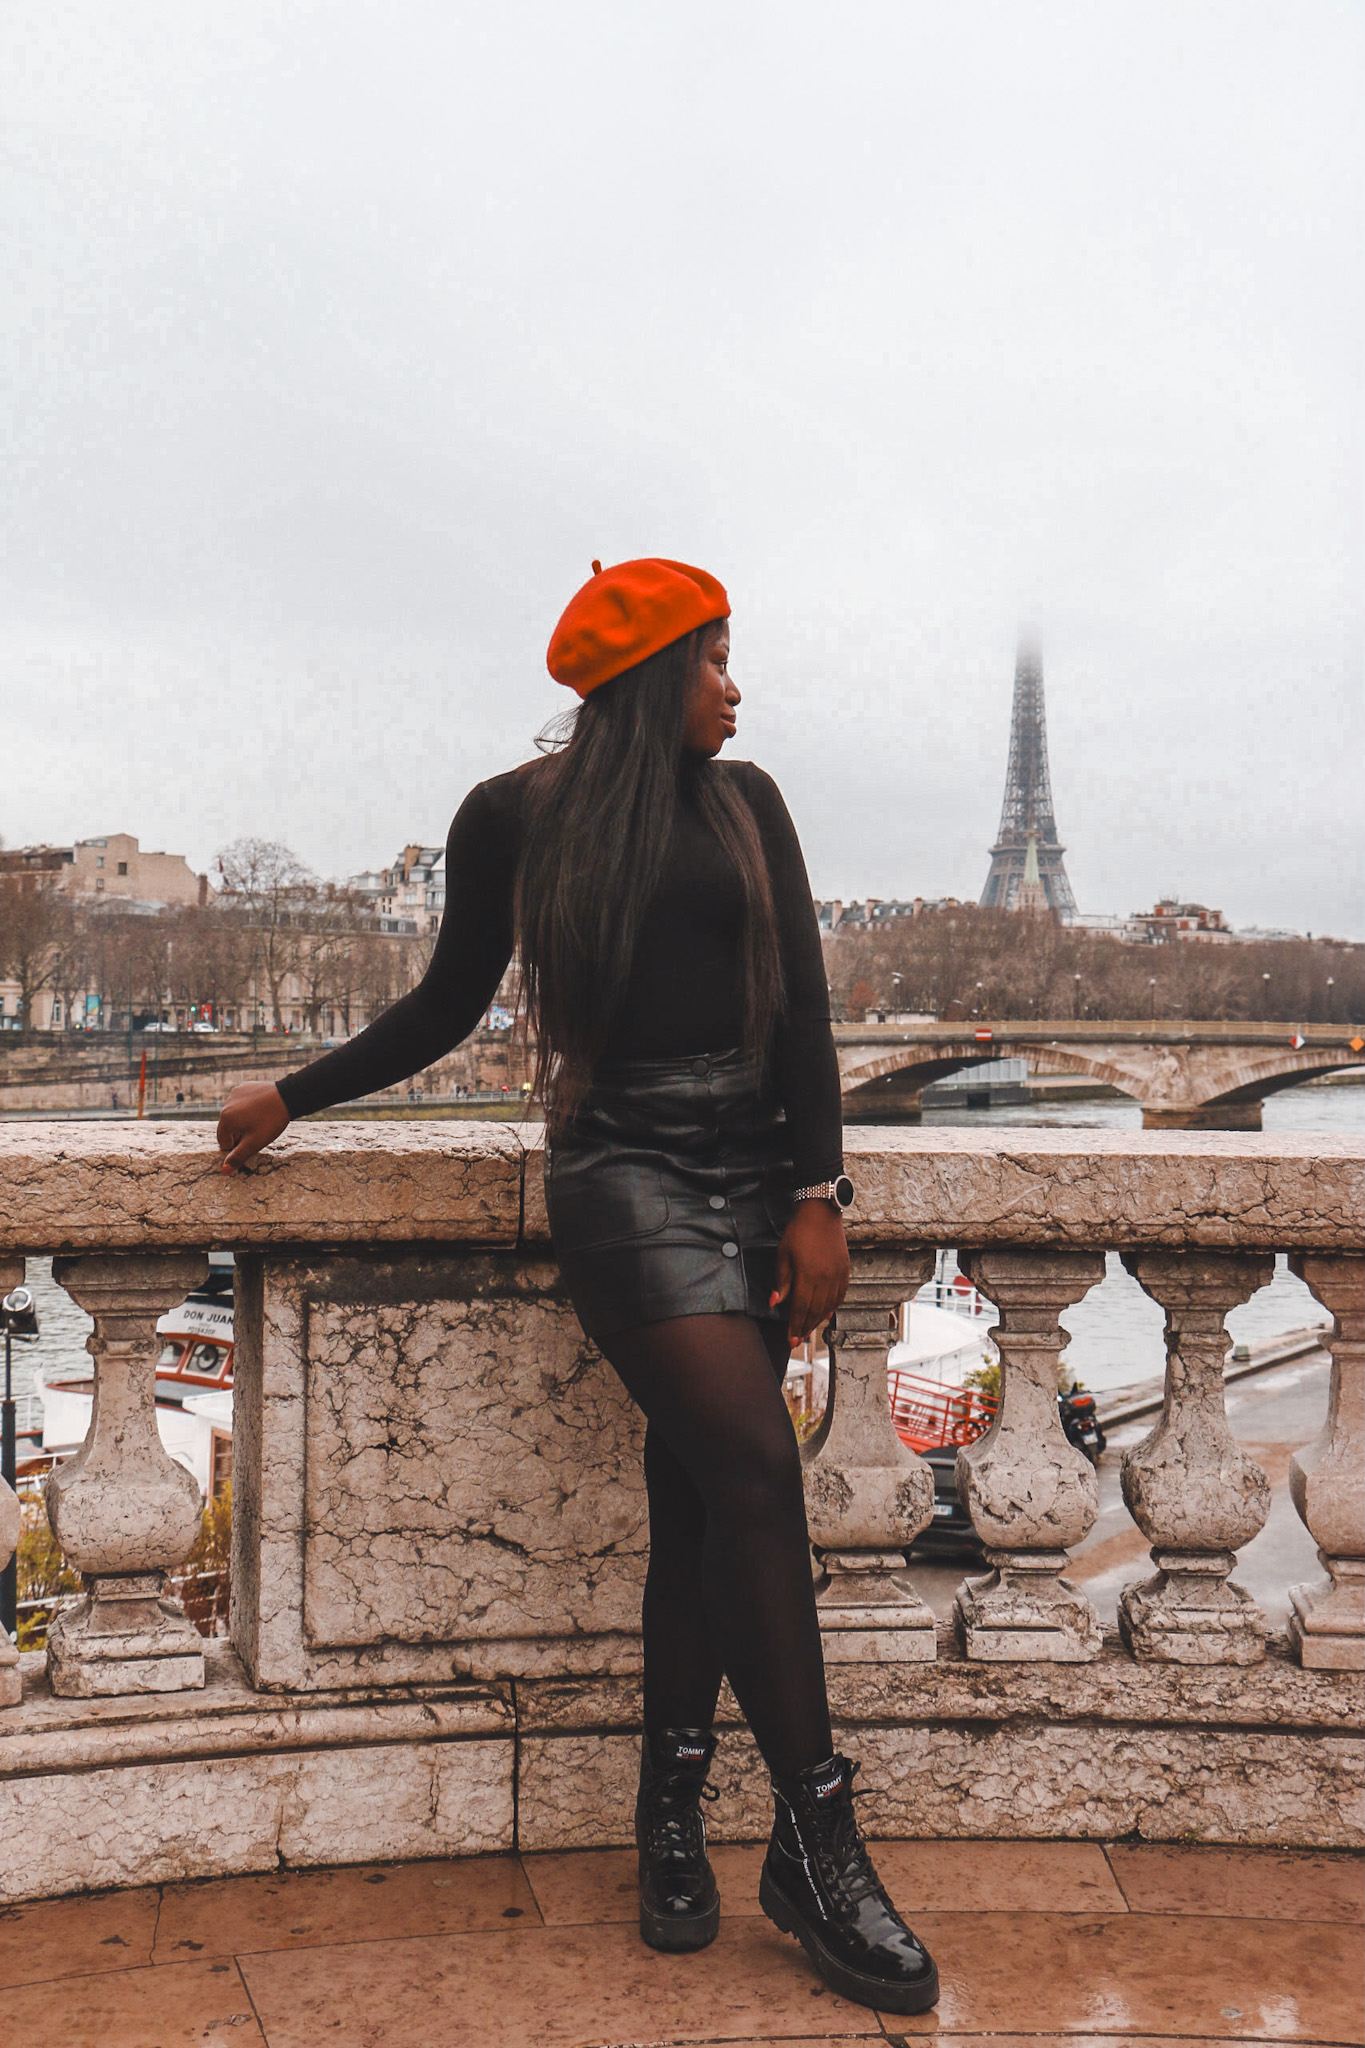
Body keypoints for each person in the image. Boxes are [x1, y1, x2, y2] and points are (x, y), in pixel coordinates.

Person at [215, 558, 939, 2016]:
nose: (736, 688)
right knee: (749, 1467)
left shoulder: (752, 804)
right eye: (716, 661)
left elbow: (797, 1008)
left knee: (702, 1488)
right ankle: (815, 1834)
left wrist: (816, 1194)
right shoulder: (513, 817)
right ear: (650, 674)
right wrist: (295, 1093)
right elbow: (448, 999)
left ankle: (668, 1815)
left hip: (750, 1165)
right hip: (620, 1171)